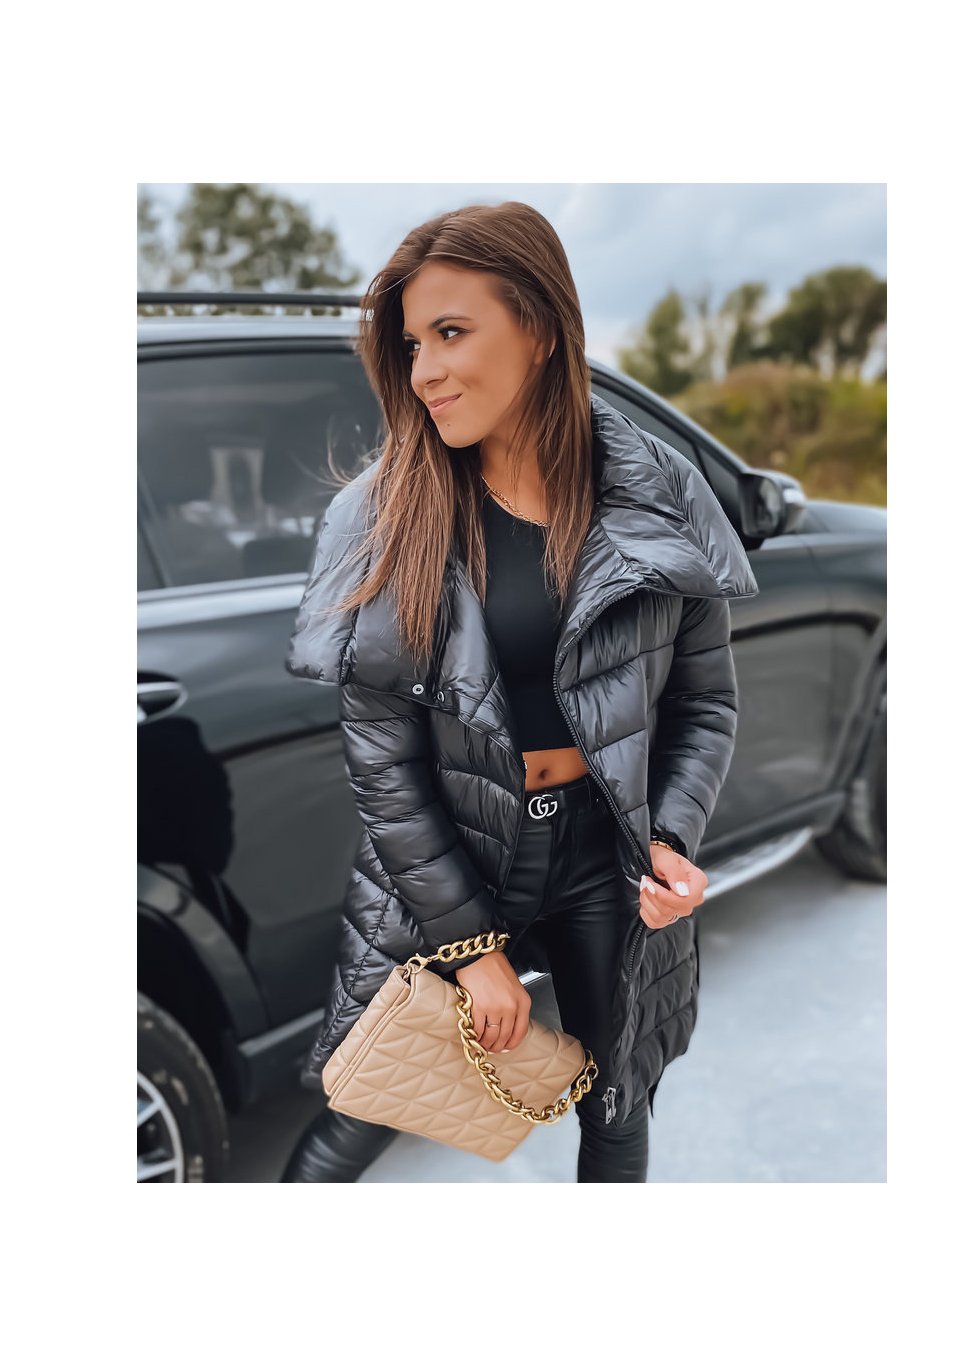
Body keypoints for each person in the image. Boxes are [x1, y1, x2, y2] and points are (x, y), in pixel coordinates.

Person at [279, 200, 758, 1183]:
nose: (424, 371)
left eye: (451, 332)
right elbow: (383, 768)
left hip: (604, 853)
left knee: (618, 1105)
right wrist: (471, 947)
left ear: (539, 329)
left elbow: (703, 701)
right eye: (413, 344)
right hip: (450, 853)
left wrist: (671, 836)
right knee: (356, 1111)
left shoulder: (658, 493)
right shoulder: (378, 517)